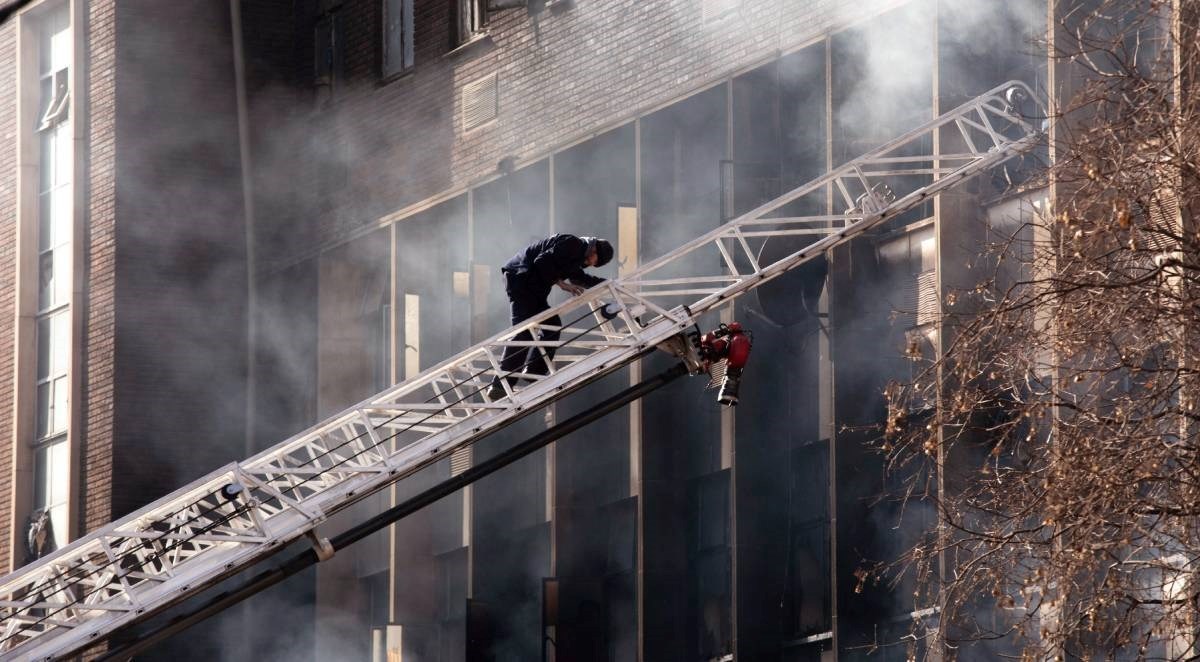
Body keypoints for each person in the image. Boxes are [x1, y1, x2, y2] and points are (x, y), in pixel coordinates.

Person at [488, 234, 614, 400]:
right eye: (595, 262)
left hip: (534, 287)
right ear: (595, 251)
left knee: (552, 325)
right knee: (524, 332)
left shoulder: (576, 256)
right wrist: (562, 284)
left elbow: (580, 278)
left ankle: (534, 371)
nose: (591, 265)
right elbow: (541, 261)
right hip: (521, 279)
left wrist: (608, 284)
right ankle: (500, 385)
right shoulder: (573, 244)